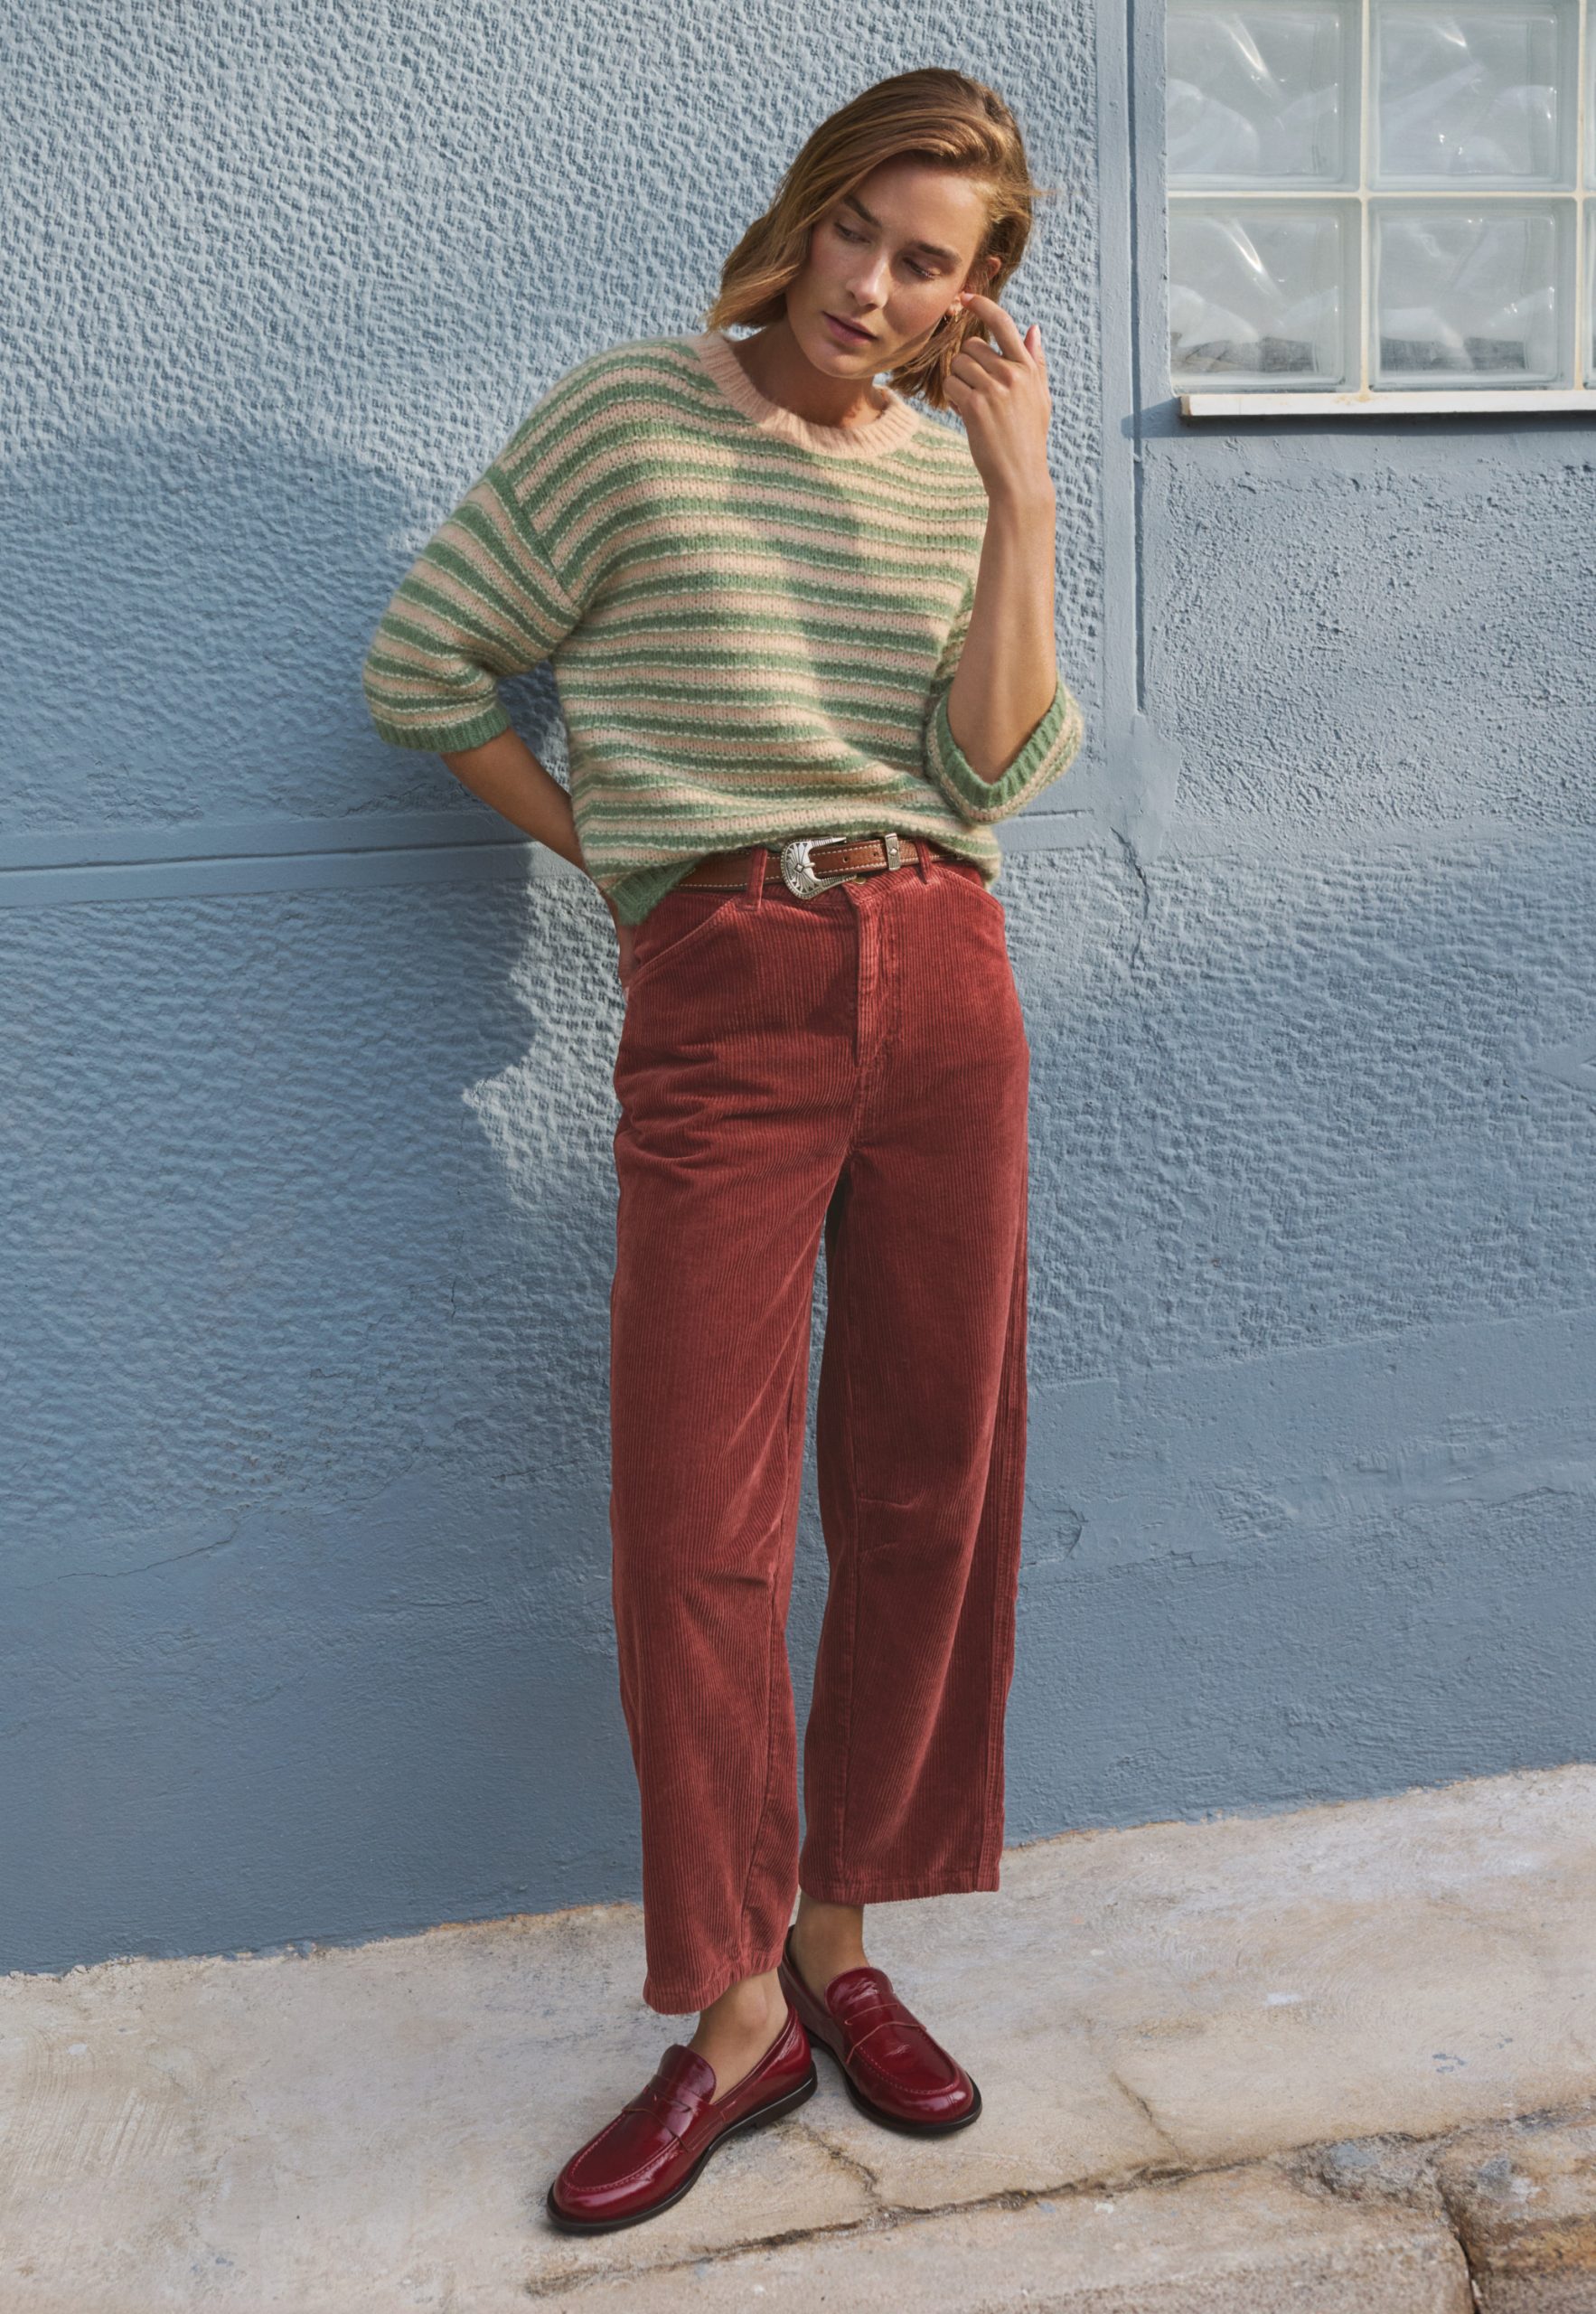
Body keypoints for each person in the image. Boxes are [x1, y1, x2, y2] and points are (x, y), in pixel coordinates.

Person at [361, 64, 1084, 2234]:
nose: (872, 285)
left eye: (926, 261)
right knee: (697, 1517)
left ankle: (840, 1937)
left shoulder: (954, 472)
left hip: (948, 976)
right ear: (804, 210)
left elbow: (999, 762)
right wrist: (631, 869)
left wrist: (1024, 493)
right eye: (856, 227)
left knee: (927, 1482)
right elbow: (427, 668)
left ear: (976, 295)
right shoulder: (630, 417)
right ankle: (732, 2006)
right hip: (728, 986)